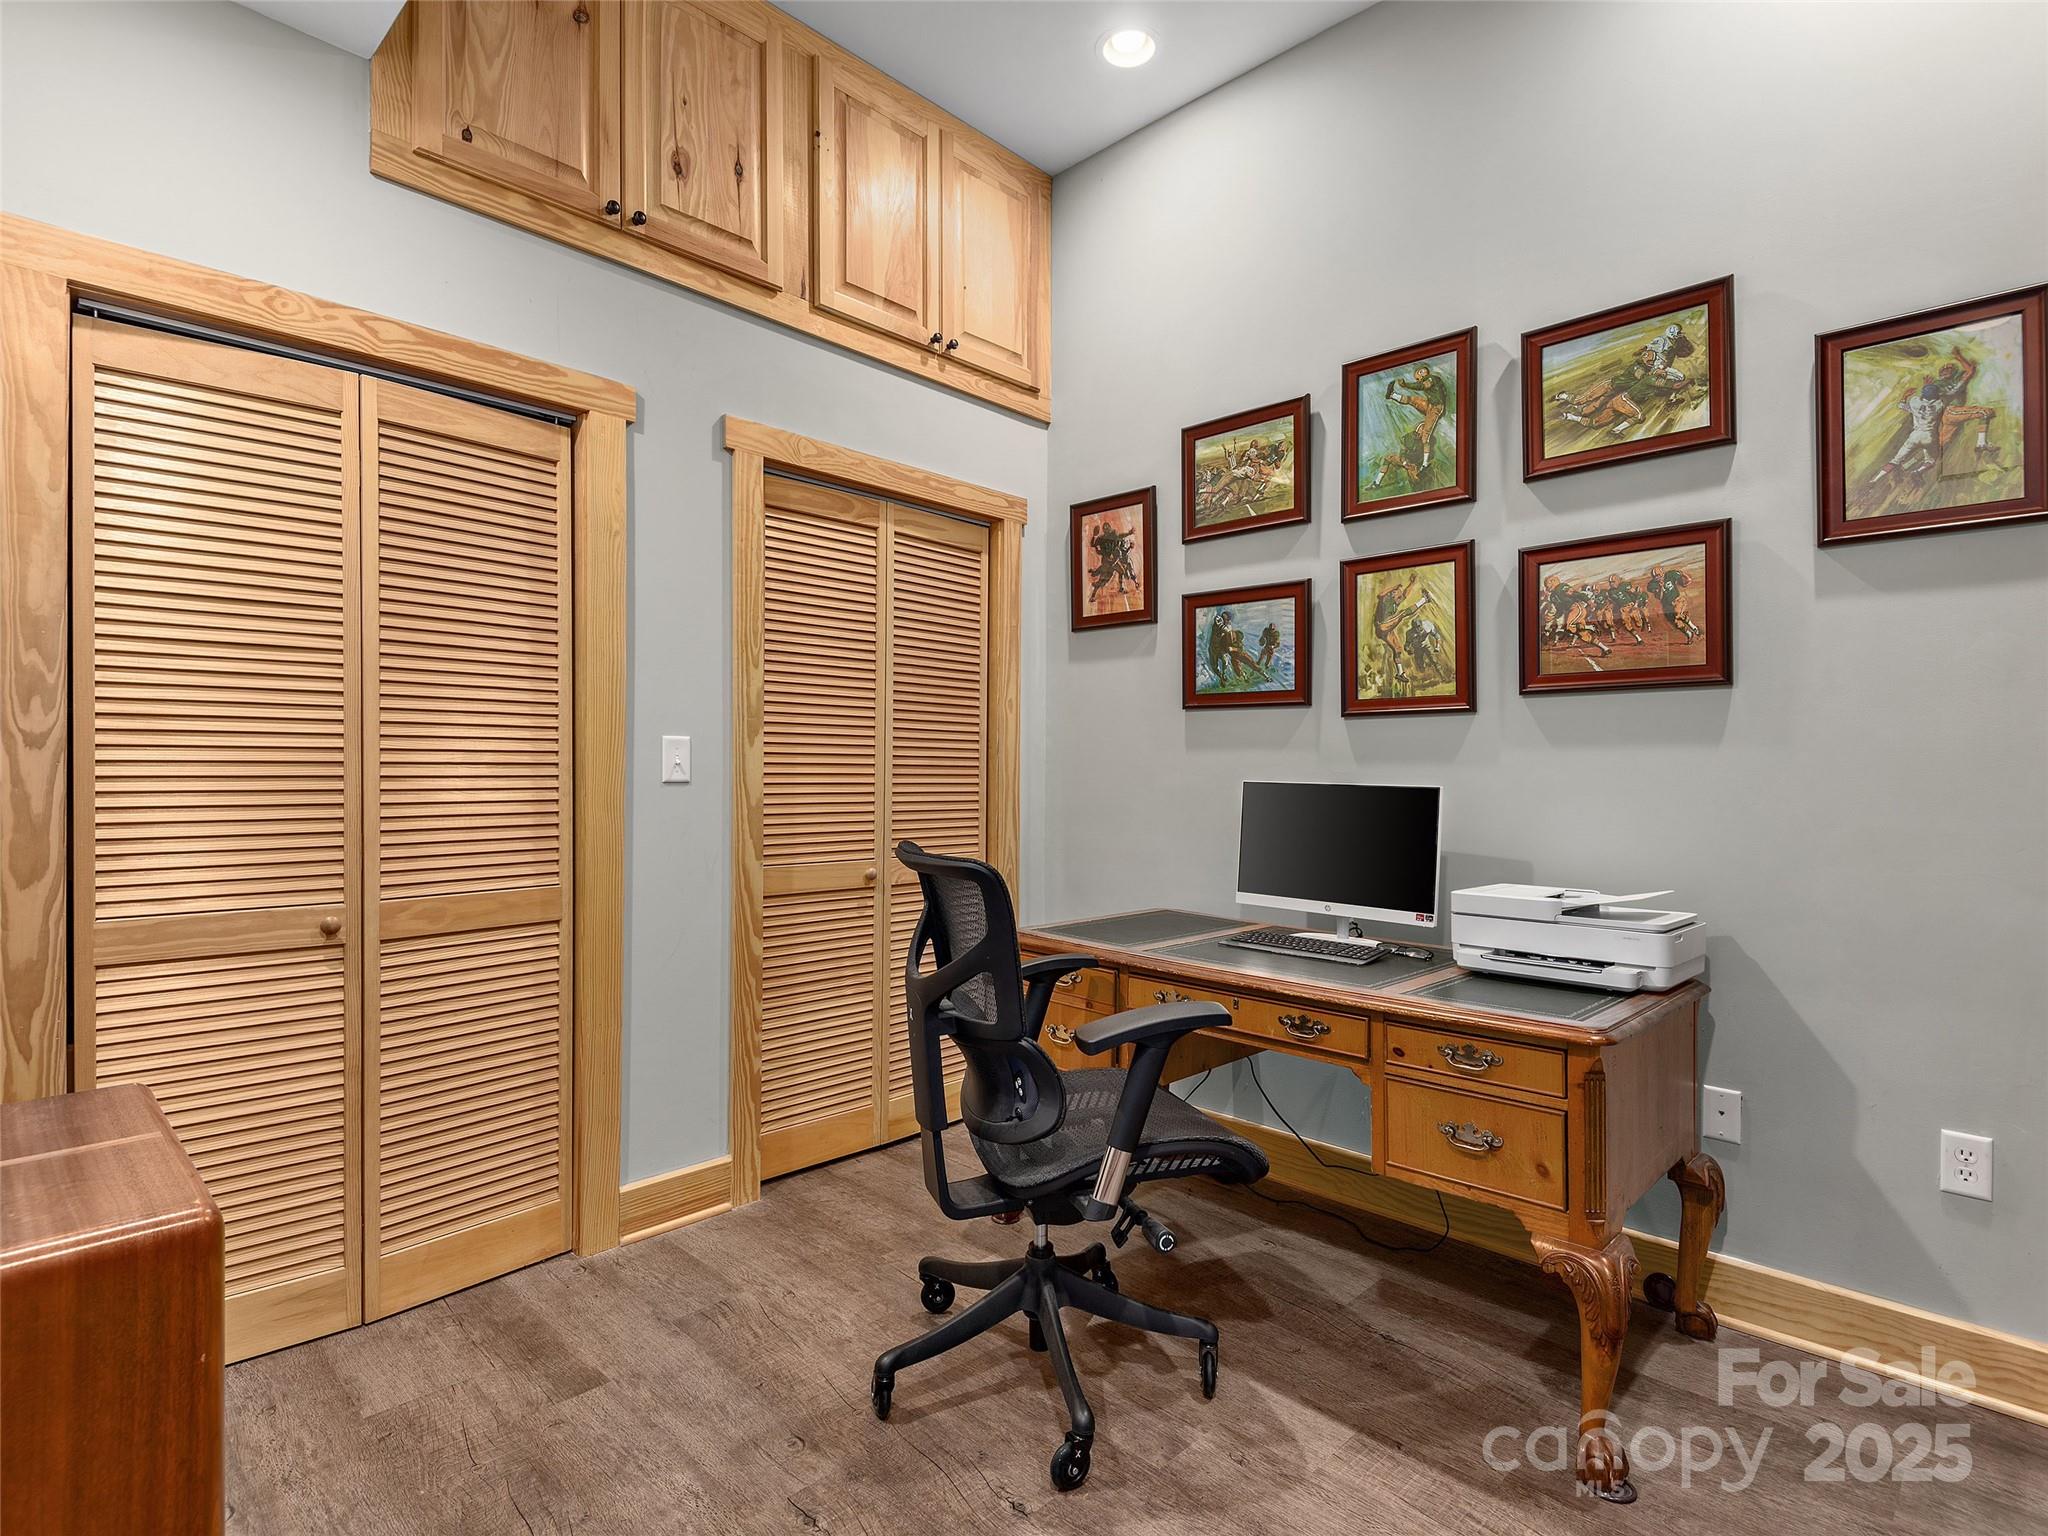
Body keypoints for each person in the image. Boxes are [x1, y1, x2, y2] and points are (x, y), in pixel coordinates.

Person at [1374, 361, 1450, 486]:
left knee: (1426, 436)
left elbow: (1424, 386)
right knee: (1413, 400)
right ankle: (1392, 395)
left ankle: (1425, 465)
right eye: (1419, 374)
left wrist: (1406, 385)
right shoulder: (1409, 439)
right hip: (1430, 405)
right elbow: (1403, 451)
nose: (1422, 372)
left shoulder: (1432, 379)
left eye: (1422, 371)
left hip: (1436, 407)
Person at [1645, 563, 1703, 643]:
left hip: (1677, 600)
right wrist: (1661, 587)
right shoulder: (1652, 584)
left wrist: (1686, 578)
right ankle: (1689, 634)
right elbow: (1659, 597)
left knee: (1677, 613)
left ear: (1662, 573)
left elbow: (1684, 583)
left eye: (1658, 575)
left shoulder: (1670, 575)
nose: (1657, 577)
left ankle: (1695, 628)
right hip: (1667, 606)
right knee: (1677, 623)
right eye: (1655, 576)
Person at [1087, 518, 1138, 601]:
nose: (1106, 529)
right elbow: (1093, 544)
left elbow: (1120, 536)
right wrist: (1094, 536)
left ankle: (1121, 588)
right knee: (1103, 580)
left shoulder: (1112, 535)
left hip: (1114, 561)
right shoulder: (1101, 538)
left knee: (1121, 571)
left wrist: (1129, 533)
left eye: (1107, 527)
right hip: (1107, 562)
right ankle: (1093, 595)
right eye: (1105, 528)